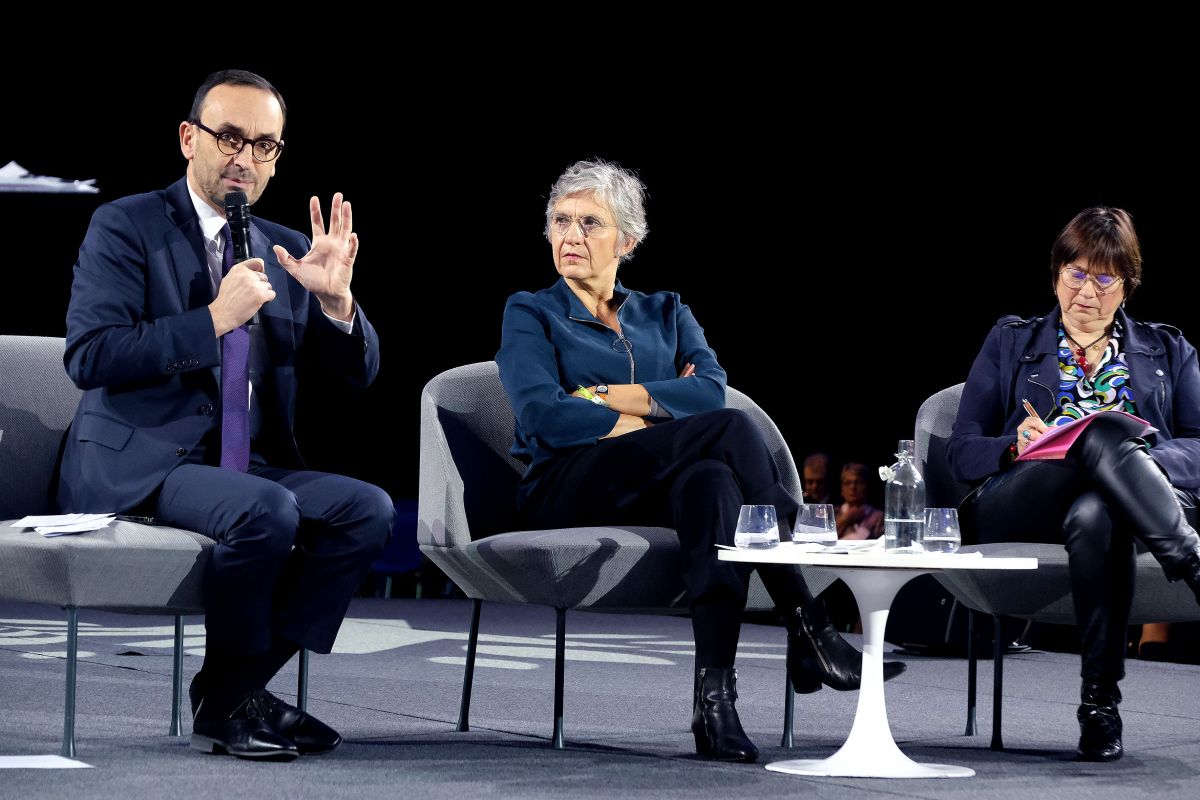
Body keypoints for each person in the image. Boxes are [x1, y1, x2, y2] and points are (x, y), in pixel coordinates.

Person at [495, 159, 904, 763]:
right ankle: (810, 626)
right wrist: (654, 414)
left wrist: (600, 398)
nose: (571, 235)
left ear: (627, 240)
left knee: (712, 482)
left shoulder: (666, 310)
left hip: (651, 482)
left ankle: (716, 707)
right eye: (560, 220)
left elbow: (709, 389)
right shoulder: (530, 310)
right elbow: (542, 416)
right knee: (730, 433)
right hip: (561, 482)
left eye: (589, 222)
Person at [56, 69, 394, 762]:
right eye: (230, 137)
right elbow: (90, 356)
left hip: (247, 466)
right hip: (144, 462)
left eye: (264, 145)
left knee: (368, 510)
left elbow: (356, 377)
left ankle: (232, 692)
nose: (244, 158)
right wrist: (211, 320)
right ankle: (235, 704)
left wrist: (337, 306)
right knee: (264, 510)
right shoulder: (126, 225)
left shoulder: (280, 244)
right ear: (189, 138)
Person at [948, 206, 1200, 762]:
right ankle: (1192, 561)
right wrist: (1015, 443)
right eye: (1076, 274)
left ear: (1127, 286)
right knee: (1102, 435)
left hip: (1127, 508)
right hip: (1022, 497)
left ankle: (1099, 707)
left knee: (1098, 511)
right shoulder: (1010, 340)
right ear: (1056, 273)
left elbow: (1199, 448)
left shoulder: (1170, 350)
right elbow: (961, 450)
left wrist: (1136, 459)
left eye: (1105, 278)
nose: (1088, 290)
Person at [835, 462, 883, 540]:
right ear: (842, 489)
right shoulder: (832, 513)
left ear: (868, 487)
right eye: (847, 483)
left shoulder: (879, 517)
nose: (853, 487)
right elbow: (823, 540)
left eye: (859, 482)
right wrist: (846, 519)